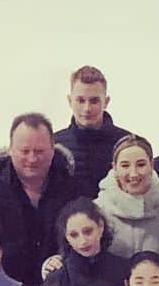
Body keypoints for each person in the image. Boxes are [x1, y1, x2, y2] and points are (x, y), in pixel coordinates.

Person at [0, 112, 79, 286]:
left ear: (53, 149)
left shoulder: (74, 192)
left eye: (39, 151)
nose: (32, 158)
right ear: (10, 149)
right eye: (24, 151)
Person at [95, 135, 159, 260]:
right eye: (125, 165)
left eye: (141, 165)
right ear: (114, 168)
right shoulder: (96, 213)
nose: (134, 173)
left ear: (151, 165)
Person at [53, 65, 130, 199]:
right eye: (80, 100)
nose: (87, 108)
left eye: (94, 101)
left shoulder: (128, 144)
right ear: (70, 101)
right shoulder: (54, 145)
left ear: (106, 102)